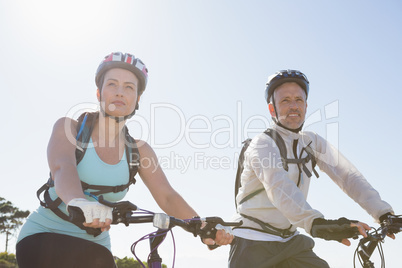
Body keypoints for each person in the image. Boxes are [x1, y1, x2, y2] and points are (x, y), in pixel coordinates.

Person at [16, 52, 233, 268]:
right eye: (112, 84)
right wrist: (79, 202)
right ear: (99, 92)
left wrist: (202, 226)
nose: (120, 92)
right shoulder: (69, 128)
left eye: (129, 87)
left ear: (137, 98)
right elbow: (62, 167)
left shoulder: (139, 151)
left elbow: (167, 197)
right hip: (44, 235)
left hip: (96, 246)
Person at [229, 69, 396, 267]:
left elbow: (349, 177)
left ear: (306, 106)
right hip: (252, 242)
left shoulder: (311, 142)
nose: (294, 106)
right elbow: (279, 187)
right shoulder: (262, 144)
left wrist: (383, 213)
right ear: (272, 109)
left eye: (299, 100)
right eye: (285, 101)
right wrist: (316, 223)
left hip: (290, 241)